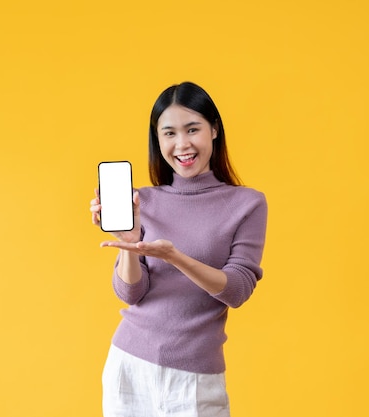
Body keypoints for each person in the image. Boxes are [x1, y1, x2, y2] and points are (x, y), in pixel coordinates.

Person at [90, 81, 268, 416]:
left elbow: (238, 290)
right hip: (128, 366)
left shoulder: (247, 204)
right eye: (169, 133)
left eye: (192, 129)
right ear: (158, 141)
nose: (182, 144)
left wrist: (175, 257)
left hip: (195, 377)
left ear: (214, 129)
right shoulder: (145, 200)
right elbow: (130, 292)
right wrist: (129, 244)